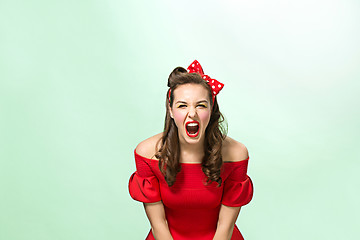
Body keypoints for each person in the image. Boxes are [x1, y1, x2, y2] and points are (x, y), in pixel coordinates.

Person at [128, 60, 254, 240]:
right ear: (171, 110)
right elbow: (158, 224)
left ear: (211, 110)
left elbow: (224, 227)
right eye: (182, 105)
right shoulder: (147, 153)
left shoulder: (235, 154)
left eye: (201, 105)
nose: (192, 113)